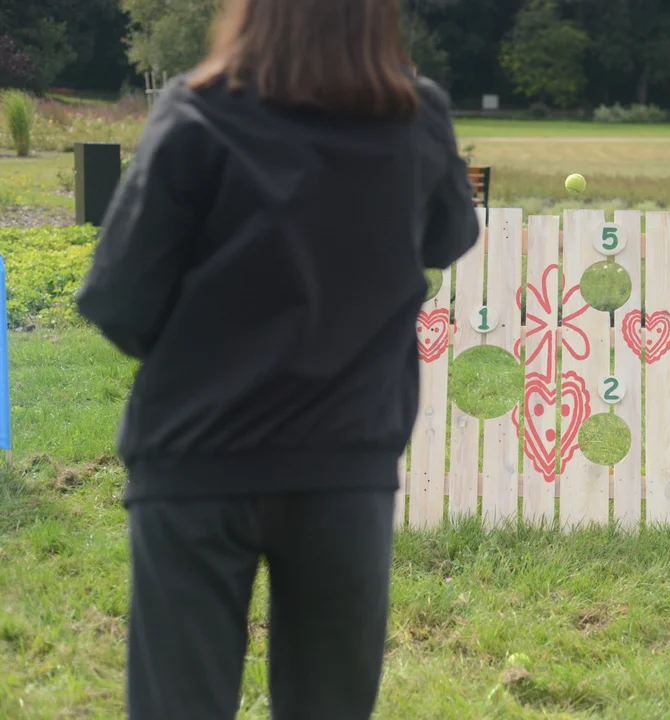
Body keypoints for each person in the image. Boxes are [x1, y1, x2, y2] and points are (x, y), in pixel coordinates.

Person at [75, 0, 480, 717]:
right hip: (342, 467)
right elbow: (447, 235)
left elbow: (119, 303)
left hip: (194, 461)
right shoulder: (415, 117)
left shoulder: (194, 112)